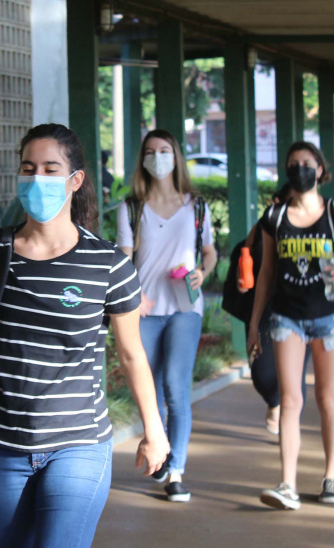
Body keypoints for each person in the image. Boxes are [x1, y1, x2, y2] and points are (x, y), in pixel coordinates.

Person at [0, 123, 168, 548]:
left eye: (49, 168)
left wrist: (154, 430)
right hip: (1, 446)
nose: (37, 178)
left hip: (79, 444)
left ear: (75, 180)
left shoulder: (107, 265)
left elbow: (133, 355)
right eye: (28, 168)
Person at [248, 142, 334, 510]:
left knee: (326, 396)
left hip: (330, 319)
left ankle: (331, 476)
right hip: (286, 319)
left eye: (307, 163)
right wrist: (254, 324)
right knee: (290, 399)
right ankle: (287, 483)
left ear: (321, 170)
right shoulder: (275, 218)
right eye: (294, 164)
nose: (300, 169)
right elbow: (265, 273)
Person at [115, 129, 218, 503]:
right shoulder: (132, 207)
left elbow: (209, 252)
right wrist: (132, 293)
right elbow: (124, 257)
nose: (157, 157)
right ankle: (159, 452)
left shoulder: (197, 206)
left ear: (176, 157)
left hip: (185, 307)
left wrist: (203, 272)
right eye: (150, 151)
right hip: (145, 309)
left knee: (177, 388)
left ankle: (176, 471)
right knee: (151, 390)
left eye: (164, 150)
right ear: (142, 159)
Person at [224, 183, 309, 436]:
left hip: (300, 313)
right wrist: (241, 282)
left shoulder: (311, 231)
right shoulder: (257, 235)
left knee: (295, 377)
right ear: (275, 202)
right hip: (263, 310)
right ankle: (274, 402)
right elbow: (242, 272)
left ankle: (290, 434)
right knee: (262, 374)